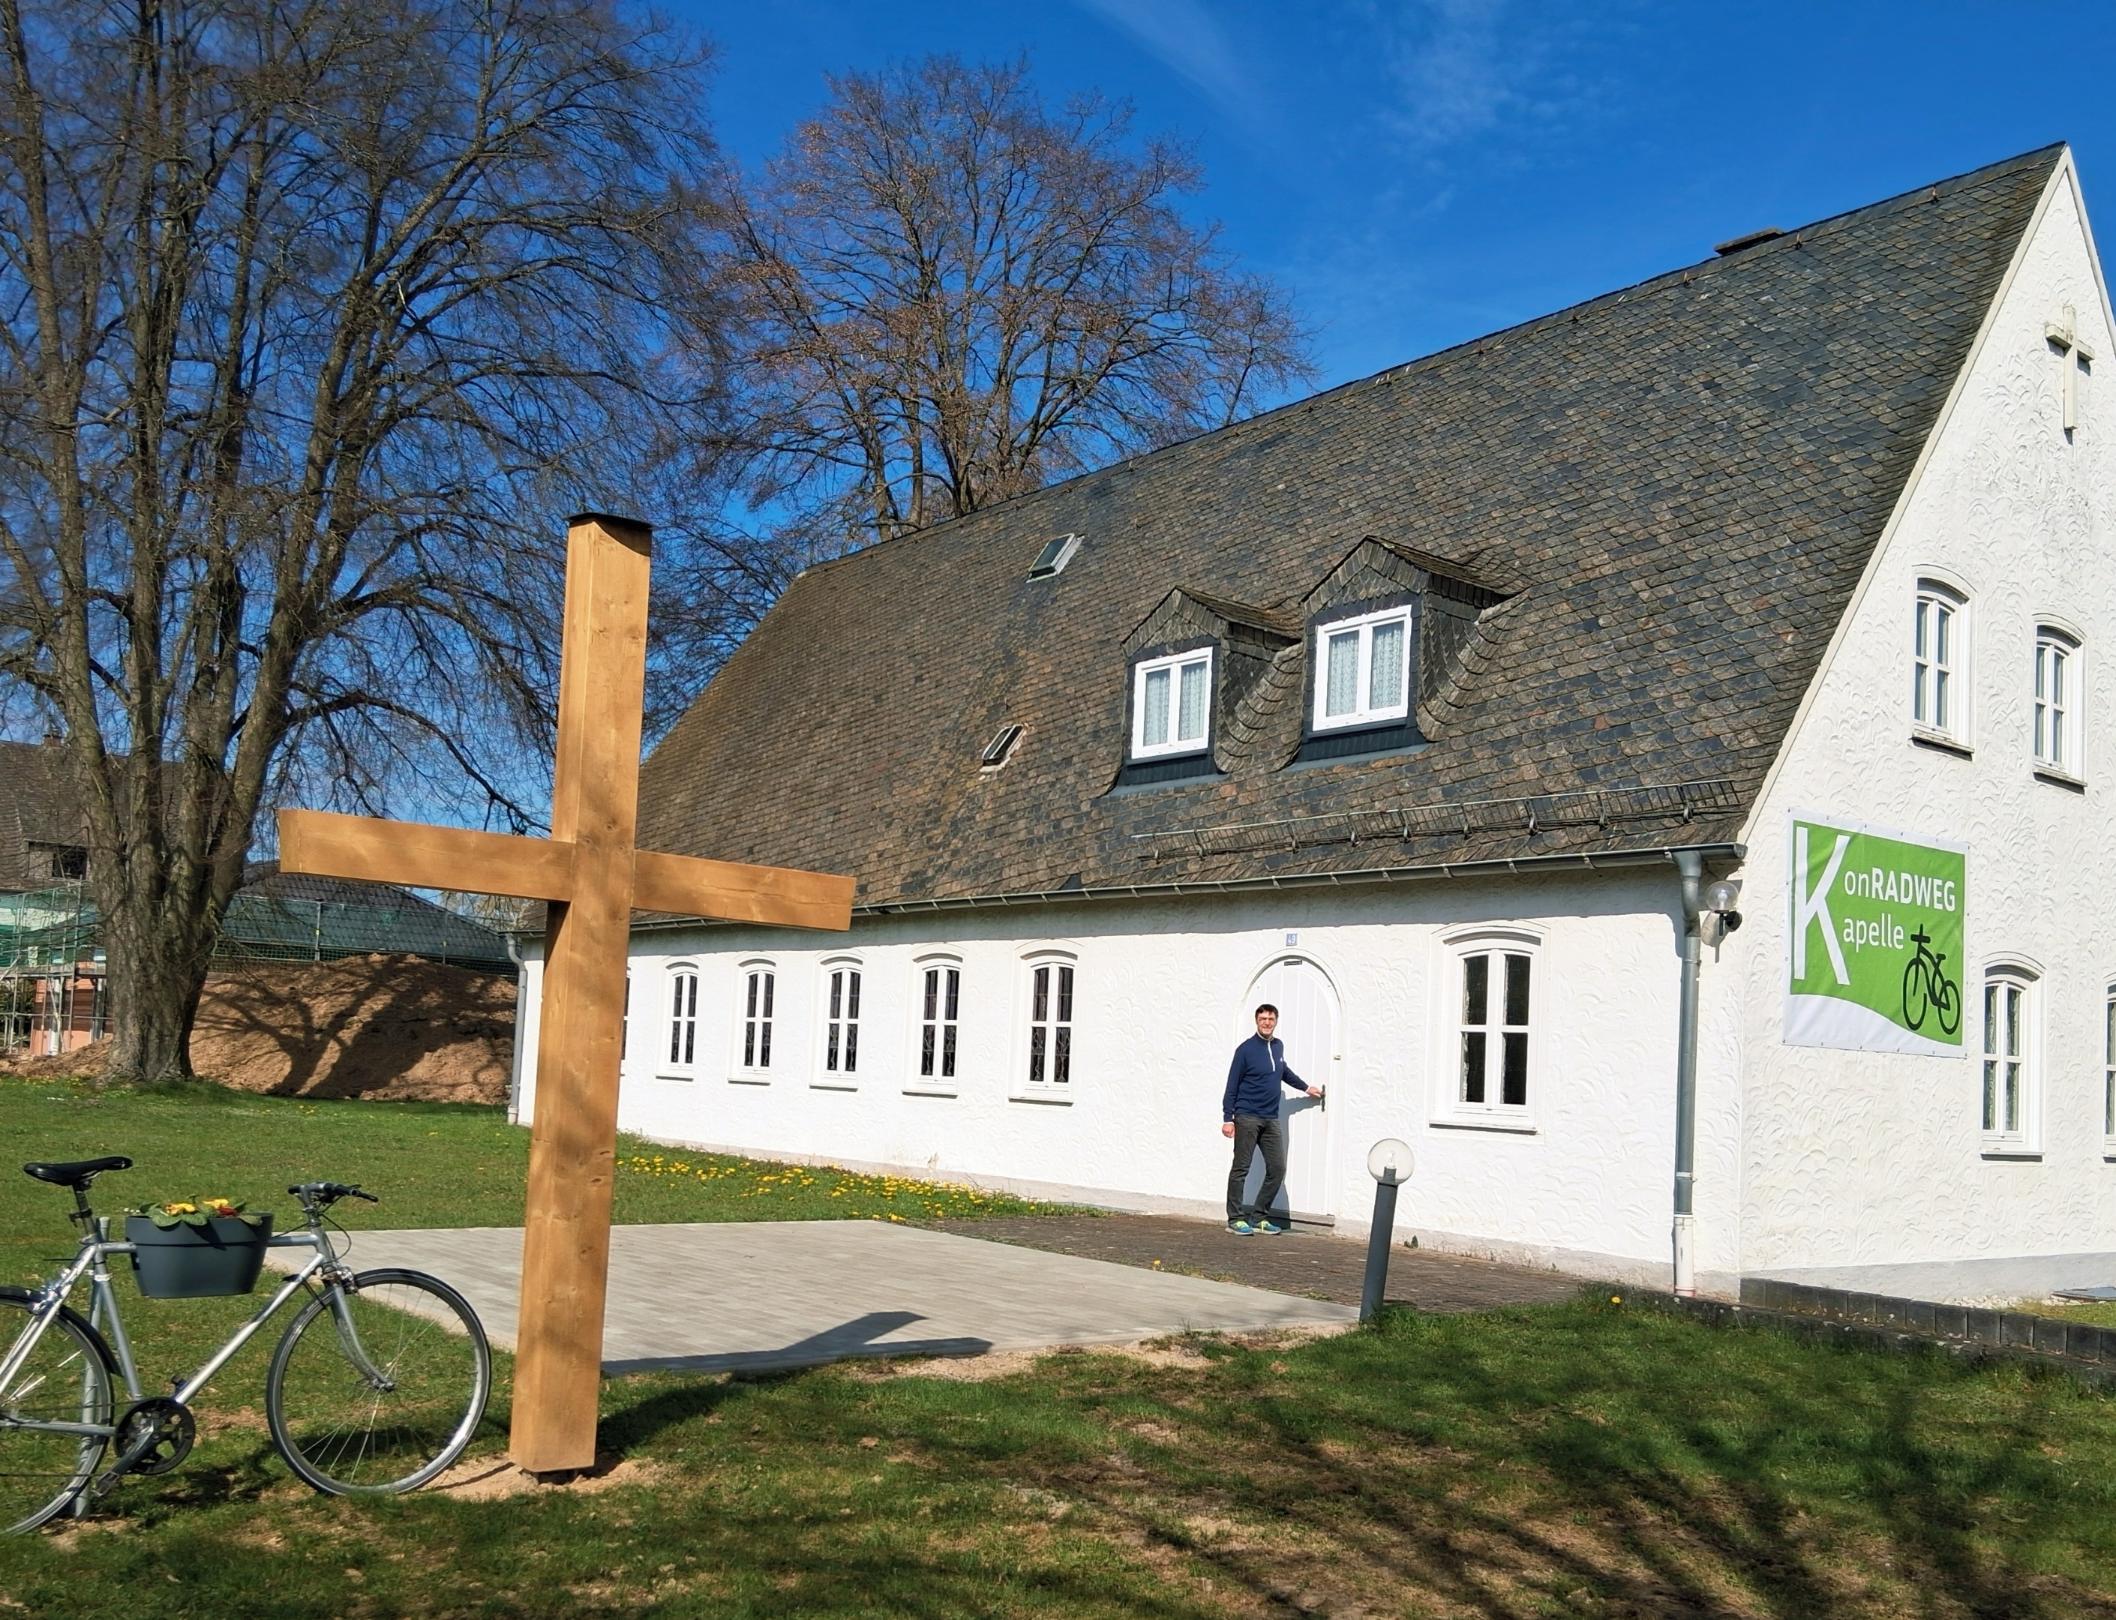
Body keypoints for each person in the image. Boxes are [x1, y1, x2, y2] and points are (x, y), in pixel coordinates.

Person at [1221, 1003, 1323, 1235]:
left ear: (1276, 1021)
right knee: (1241, 1168)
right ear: (1256, 1021)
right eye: (1262, 1019)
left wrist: (1306, 1087)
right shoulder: (1245, 1050)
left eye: (1271, 1019)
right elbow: (1231, 1086)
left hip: (1270, 1118)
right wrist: (1228, 1118)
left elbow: (1283, 1071)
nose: (1267, 1023)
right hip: (1247, 1117)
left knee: (1277, 1168)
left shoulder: (1278, 1046)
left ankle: (1259, 1217)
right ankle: (1235, 1218)